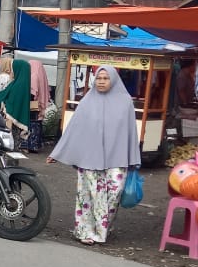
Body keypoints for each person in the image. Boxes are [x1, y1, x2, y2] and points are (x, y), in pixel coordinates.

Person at [46, 66, 140, 245]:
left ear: (113, 80)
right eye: (99, 78)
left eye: (105, 78)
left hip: (117, 156)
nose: (101, 82)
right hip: (90, 157)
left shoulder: (125, 102)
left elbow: (131, 132)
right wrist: (57, 153)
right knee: (89, 195)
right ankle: (86, 231)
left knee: (114, 193)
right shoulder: (87, 102)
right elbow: (74, 130)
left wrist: (133, 157)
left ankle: (102, 228)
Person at [0, 58, 31, 143]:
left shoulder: (17, 85)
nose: (12, 70)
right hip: (17, 119)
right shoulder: (24, 83)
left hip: (10, 120)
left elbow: (10, 102)